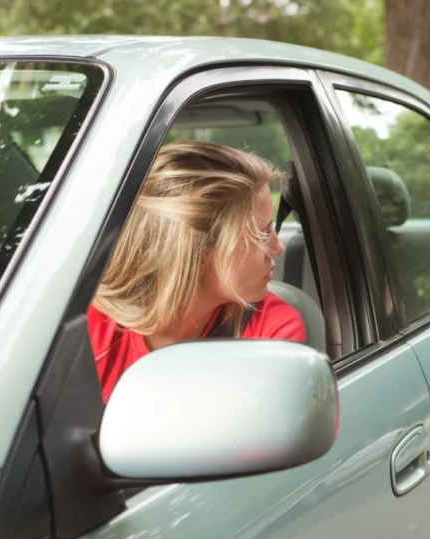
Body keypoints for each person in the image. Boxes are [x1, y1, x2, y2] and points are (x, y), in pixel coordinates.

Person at [87, 140, 307, 402]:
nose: (278, 246)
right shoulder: (87, 329)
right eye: (260, 234)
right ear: (197, 251)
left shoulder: (272, 329)